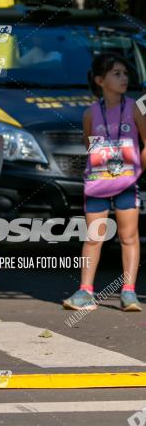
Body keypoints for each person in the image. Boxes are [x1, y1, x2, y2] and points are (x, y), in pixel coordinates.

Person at [64, 53, 146, 312]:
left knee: (129, 237)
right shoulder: (90, 113)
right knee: (93, 237)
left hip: (126, 183)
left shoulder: (135, 107)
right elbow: (89, 143)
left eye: (125, 73)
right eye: (117, 73)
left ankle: (129, 293)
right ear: (100, 80)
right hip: (98, 183)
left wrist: (138, 170)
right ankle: (85, 291)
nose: (124, 78)